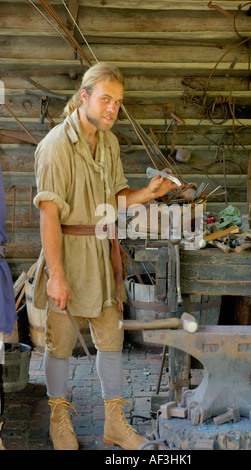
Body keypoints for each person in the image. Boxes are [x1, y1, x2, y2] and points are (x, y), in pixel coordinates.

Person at [33, 62, 177, 451]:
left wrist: (148, 193)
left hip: (101, 251)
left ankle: (114, 422)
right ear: (84, 97)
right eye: (105, 99)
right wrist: (57, 275)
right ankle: (59, 420)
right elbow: (48, 216)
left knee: (111, 339)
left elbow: (114, 200)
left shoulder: (109, 143)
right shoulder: (54, 146)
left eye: (118, 102)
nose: (112, 108)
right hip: (66, 251)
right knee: (60, 342)